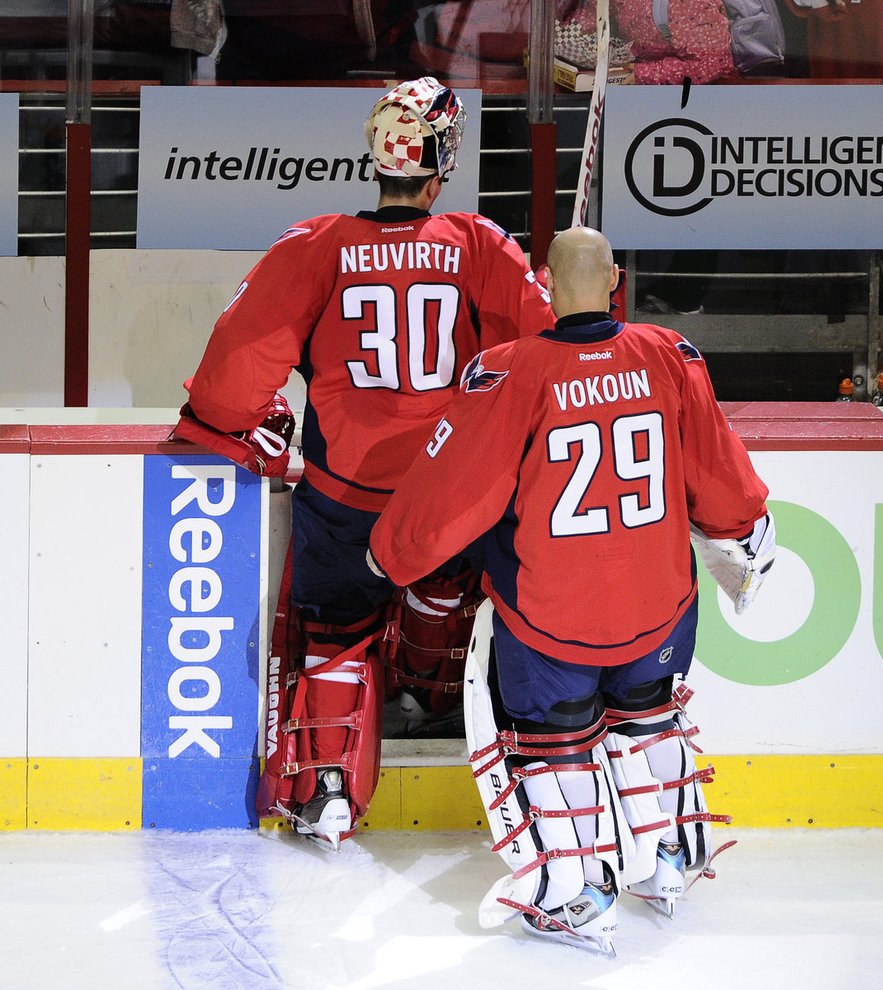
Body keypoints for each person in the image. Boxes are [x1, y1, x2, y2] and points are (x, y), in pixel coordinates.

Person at [367, 226, 774, 956]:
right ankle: (671, 863)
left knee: (554, 743)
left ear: (544, 282)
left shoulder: (508, 372)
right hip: (659, 608)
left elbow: (457, 492)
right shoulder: (670, 355)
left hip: (552, 616)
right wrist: (744, 528)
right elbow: (719, 473)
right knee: (649, 718)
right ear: (616, 278)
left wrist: (388, 553)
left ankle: (578, 894)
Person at [173, 76, 555, 850]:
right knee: (453, 592)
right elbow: (543, 351)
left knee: (334, 633)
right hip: (446, 494)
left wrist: (237, 423)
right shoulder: (480, 244)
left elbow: (237, 363)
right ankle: (430, 690)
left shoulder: (314, 244)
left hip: (345, 492)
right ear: (442, 158)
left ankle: (331, 793)